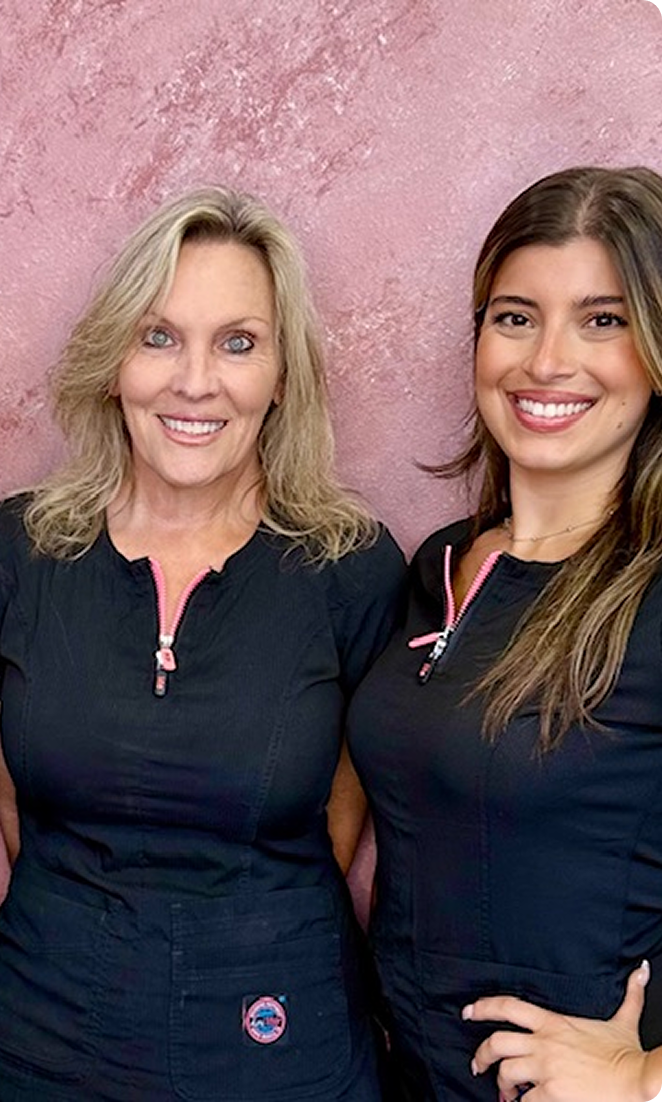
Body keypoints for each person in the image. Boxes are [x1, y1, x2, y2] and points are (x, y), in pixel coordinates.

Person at [0, 186, 405, 1100]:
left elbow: (335, 824)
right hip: (40, 1050)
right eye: (158, 335)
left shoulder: (350, 569)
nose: (195, 380)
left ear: (282, 374)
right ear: (114, 360)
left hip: (282, 1056)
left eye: (238, 342)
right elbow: (21, 812)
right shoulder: (17, 552)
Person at [347, 165, 662, 1101]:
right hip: (406, 1073)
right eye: (515, 316)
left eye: (602, 320)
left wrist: (644, 1078)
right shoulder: (440, 564)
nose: (546, 361)